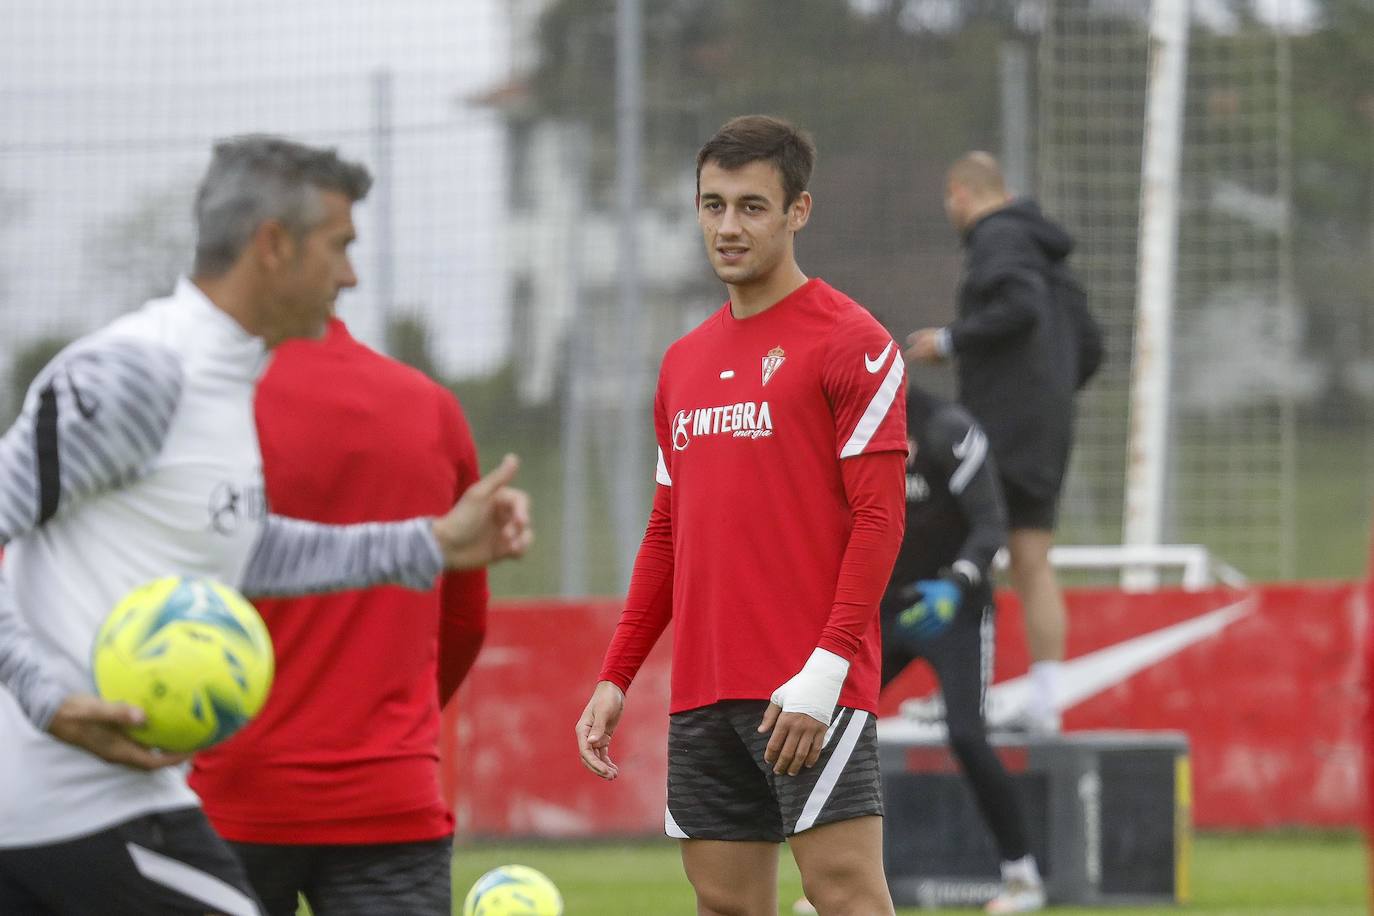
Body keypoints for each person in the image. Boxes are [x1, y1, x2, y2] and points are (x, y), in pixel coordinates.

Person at [0, 135, 530, 916]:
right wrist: (43, 697)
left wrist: (432, 544)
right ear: (274, 246)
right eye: (339, 246)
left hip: (129, 800)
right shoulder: (140, 371)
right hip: (61, 811)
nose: (350, 276)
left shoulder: (229, 378)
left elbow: (241, 546)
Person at [575, 115, 909, 916]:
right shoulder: (681, 363)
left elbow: (880, 520)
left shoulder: (853, 342)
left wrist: (827, 670)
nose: (728, 227)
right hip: (703, 690)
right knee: (724, 905)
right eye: (713, 205)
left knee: (846, 895)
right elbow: (667, 532)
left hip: (809, 688)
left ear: (798, 211)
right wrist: (616, 675)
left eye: (752, 206)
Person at [189, 315, 490, 916]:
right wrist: (392, 734)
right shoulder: (431, 408)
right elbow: (465, 621)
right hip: (390, 793)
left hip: (229, 791)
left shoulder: (203, 404)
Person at [798, 383, 1047, 914]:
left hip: (953, 610)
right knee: (829, 724)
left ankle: (1022, 876)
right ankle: (835, 882)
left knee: (967, 735)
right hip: (881, 611)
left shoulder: (947, 429)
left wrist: (956, 583)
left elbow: (991, 524)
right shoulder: (843, 433)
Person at [906, 151, 1086, 735]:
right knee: (1032, 560)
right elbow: (1091, 345)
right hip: (1048, 428)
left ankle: (963, 699)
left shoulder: (997, 236)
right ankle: (1046, 704)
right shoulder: (1050, 254)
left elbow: (1019, 307)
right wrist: (1050, 392)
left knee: (960, 542)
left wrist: (949, 341)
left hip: (1001, 426)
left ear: (960, 193)